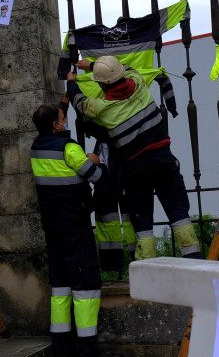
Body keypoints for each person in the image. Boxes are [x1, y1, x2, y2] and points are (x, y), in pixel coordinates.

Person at [67, 55, 202, 261]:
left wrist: (71, 82)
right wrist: (95, 65)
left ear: (102, 84)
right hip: (164, 161)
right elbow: (127, 68)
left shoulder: (101, 107)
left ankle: (147, 272)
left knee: (143, 222)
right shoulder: (138, 82)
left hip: (136, 170)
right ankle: (195, 262)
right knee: (180, 215)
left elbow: (80, 103)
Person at [30, 102, 114, 357]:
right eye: (63, 118)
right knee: (86, 289)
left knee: (61, 290)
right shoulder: (69, 148)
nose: (66, 121)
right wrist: (95, 161)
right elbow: (97, 177)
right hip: (75, 226)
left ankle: (62, 350)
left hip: (52, 228)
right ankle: (89, 353)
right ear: (56, 125)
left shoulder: (37, 148)